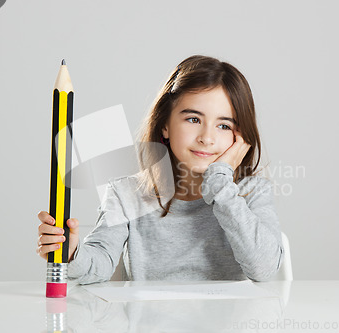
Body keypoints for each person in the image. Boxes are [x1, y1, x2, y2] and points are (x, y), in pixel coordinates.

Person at [36, 55, 284, 283]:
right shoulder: (126, 194)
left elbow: (264, 269)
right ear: (165, 125)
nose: (207, 138)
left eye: (224, 126)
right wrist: (70, 254)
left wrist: (220, 183)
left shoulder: (251, 193)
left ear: (240, 138)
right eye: (193, 119)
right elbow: (98, 264)